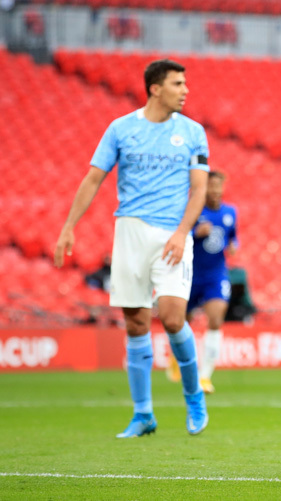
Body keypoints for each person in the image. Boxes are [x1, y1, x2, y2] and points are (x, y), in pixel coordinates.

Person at [54, 59, 210, 438]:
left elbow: (200, 189)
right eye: (177, 84)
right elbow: (94, 178)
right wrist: (69, 227)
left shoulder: (193, 132)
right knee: (137, 323)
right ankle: (143, 414)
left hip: (173, 235)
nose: (185, 90)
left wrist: (181, 232)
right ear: (155, 88)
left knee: (173, 318)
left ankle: (193, 396)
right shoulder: (121, 129)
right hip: (129, 232)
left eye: (185, 83)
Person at [167, 170, 238, 394]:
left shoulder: (230, 212)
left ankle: (205, 376)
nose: (216, 191)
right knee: (180, 322)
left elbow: (234, 236)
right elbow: (176, 236)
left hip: (215, 275)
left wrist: (235, 245)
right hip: (189, 274)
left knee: (216, 318)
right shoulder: (192, 211)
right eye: (211, 186)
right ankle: (175, 356)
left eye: (219, 186)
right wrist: (196, 233)